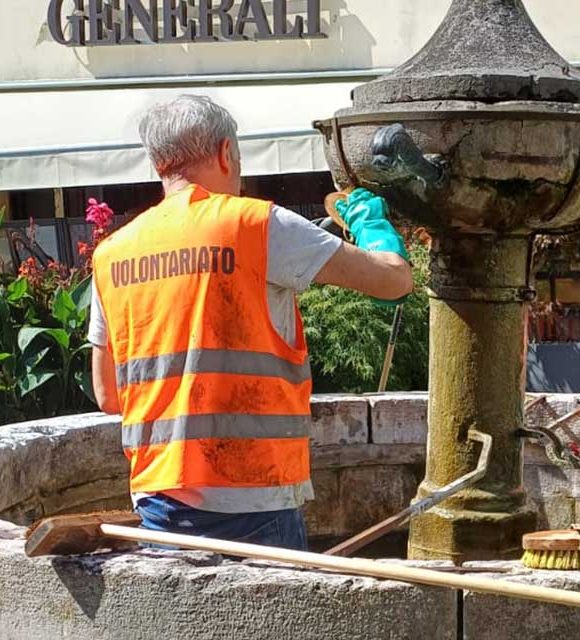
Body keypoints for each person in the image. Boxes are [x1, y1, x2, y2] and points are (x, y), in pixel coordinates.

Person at [89, 95, 414, 550]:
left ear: (160, 162)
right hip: (253, 500)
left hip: (157, 502)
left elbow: (108, 395)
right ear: (225, 153)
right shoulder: (257, 225)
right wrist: (371, 225)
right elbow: (393, 281)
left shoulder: (113, 254)